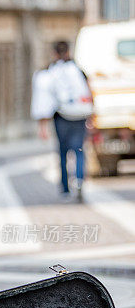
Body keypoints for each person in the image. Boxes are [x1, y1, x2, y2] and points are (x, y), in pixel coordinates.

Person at [31, 41, 93, 202]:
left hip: (61, 116)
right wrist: (92, 116)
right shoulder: (78, 70)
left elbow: (43, 99)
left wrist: (42, 126)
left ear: (54, 52)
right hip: (80, 115)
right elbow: (89, 92)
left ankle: (65, 189)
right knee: (79, 149)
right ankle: (79, 180)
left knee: (63, 153)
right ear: (68, 51)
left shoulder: (49, 72)